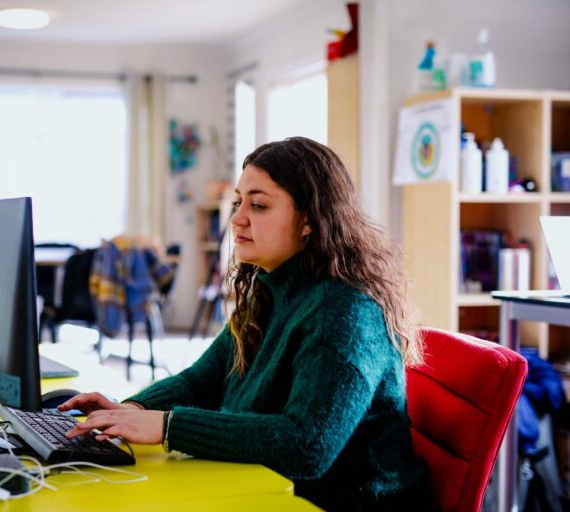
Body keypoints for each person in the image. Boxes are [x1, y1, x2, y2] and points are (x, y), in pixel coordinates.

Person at [60, 137, 430, 510]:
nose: (237, 218)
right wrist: (133, 411)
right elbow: (201, 380)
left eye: (259, 204)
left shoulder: (346, 312)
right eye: (239, 202)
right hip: (273, 489)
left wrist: (168, 427)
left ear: (309, 220)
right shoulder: (270, 292)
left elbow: (307, 445)